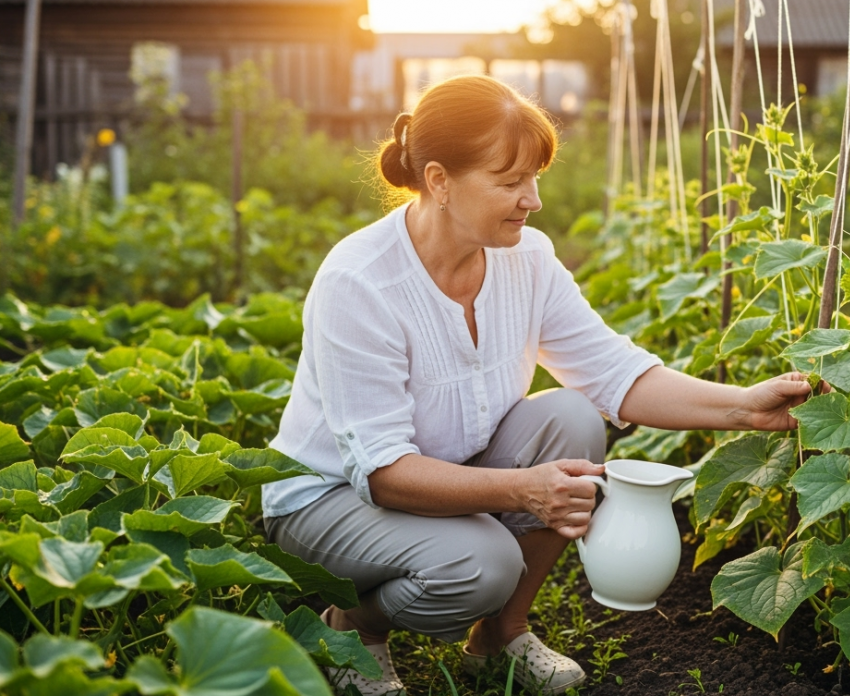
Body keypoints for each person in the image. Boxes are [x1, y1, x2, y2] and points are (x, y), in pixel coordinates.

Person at [261, 74, 815, 696]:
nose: (533, 200)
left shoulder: (526, 258)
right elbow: (385, 474)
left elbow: (613, 371)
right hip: (330, 502)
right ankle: (349, 629)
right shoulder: (360, 284)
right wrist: (523, 489)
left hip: (447, 473)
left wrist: (745, 408)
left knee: (574, 419)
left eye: (535, 178)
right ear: (439, 181)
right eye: (509, 181)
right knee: (483, 563)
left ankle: (500, 637)